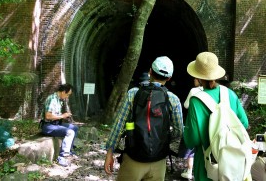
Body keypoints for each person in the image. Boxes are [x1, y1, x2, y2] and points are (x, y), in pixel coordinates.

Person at [104, 56, 184, 180]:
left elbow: (119, 125)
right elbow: (179, 131)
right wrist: (161, 140)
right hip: (159, 161)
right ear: (169, 78)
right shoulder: (173, 99)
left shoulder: (133, 93)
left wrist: (109, 152)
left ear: (150, 72)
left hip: (133, 158)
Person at [183, 52, 249, 181]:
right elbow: (244, 123)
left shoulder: (196, 101)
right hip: (231, 161)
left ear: (198, 76)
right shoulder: (230, 93)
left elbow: (193, 139)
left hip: (207, 164)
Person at [40, 83, 79, 167]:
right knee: (70, 132)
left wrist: (64, 116)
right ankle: (62, 157)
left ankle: (69, 150)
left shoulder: (59, 100)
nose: (67, 97)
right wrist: (62, 116)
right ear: (63, 92)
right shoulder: (52, 99)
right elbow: (48, 116)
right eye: (67, 95)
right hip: (48, 126)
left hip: (56, 124)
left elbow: (55, 115)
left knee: (74, 128)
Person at [178, 78, 202, 179]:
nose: (193, 80)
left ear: (199, 80)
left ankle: (189, 171)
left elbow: (186, 105)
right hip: (205, 125)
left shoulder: (194, 90)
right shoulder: (211, 91)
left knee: (190, 148)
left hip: (194, 124)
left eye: (195, 79)